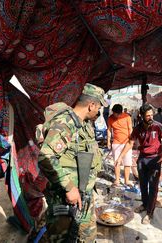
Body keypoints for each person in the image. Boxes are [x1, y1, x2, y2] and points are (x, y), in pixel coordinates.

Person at [38, 83, 106, 242]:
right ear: (91, 105)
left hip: (84, 196)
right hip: (66, 198)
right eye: (99, 107)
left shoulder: (83, 124)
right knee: (62, 238)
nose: (99, 111)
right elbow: (45, 156)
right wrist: (69, 188)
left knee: (87, 238)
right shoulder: (65, 123)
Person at [116, 103, 162, 224]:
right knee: (143, 185)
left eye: (151, 115)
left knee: (153, 186)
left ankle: (150, 213)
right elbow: (130, 143)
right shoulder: (137, 128)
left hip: (155, 159)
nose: (150, 117)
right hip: (142, 159)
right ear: (141, 116)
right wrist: (120, 157)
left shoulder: (158, 126)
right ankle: (144, 204)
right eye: (147, 116)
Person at [107, 104, 135, 186]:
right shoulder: (110, 118)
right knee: (117, 162)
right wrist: (108, 141)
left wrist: (131, 140)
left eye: (119, 114)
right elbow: (109, 130)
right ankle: (117, 180)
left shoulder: (127, 117)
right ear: (113, 112)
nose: (117, 115)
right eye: (116, 113)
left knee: (127, 162)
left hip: (127, 143)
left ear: (121, 112)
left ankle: (126, 180)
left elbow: (130, 129)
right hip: (116, 143)